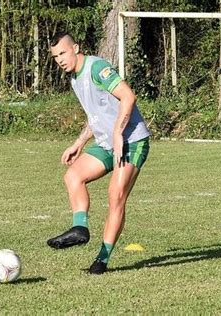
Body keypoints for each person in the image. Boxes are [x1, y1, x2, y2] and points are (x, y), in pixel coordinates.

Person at [47, 32, 150, 275]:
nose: (60, 59)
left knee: (115, 196)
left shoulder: (97, 68)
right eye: (55, 57)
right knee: (73, 177)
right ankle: (79, 229)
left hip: (131, 142)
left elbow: (128, 96)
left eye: (62, 52)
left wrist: (118, 133)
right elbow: (96, 115)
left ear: (76, 48)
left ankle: (102, 260)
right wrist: (79, 142)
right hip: (105, 143)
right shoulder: (74, 78)